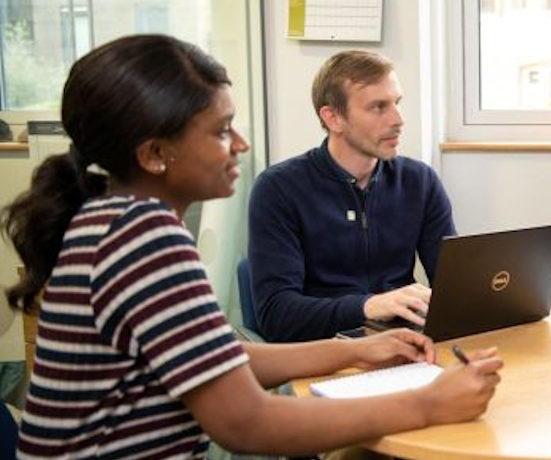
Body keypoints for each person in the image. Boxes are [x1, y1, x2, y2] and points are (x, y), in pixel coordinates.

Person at [2, 35, 501, 458]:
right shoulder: (142, 238)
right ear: (155, 154)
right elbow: (245, 424)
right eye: (221, 131)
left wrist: (363, 350)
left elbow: (221, 356)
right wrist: (429, 404)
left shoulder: (116, 222)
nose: (240, 144)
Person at [248, 50, 454, 342]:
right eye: (378, 107)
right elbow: (277, 316)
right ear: (333, 117)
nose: (398, 119)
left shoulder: (419, 181)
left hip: (403, 344)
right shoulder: (278, 189)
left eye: (397, 103)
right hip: (322, 352)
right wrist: (367, 306)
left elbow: (452, 289)